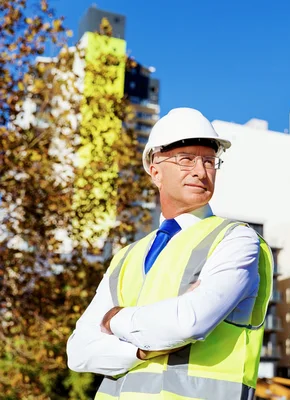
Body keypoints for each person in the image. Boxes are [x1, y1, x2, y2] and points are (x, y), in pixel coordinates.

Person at [66, 107, 273, 400]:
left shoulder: (236, 239)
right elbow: (79, 352)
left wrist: (115, 320)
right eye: (186, 159)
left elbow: (189, 321)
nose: (201, 172)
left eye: (209, 161)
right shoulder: (126, 258)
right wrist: (142, 348)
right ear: (155, 170)